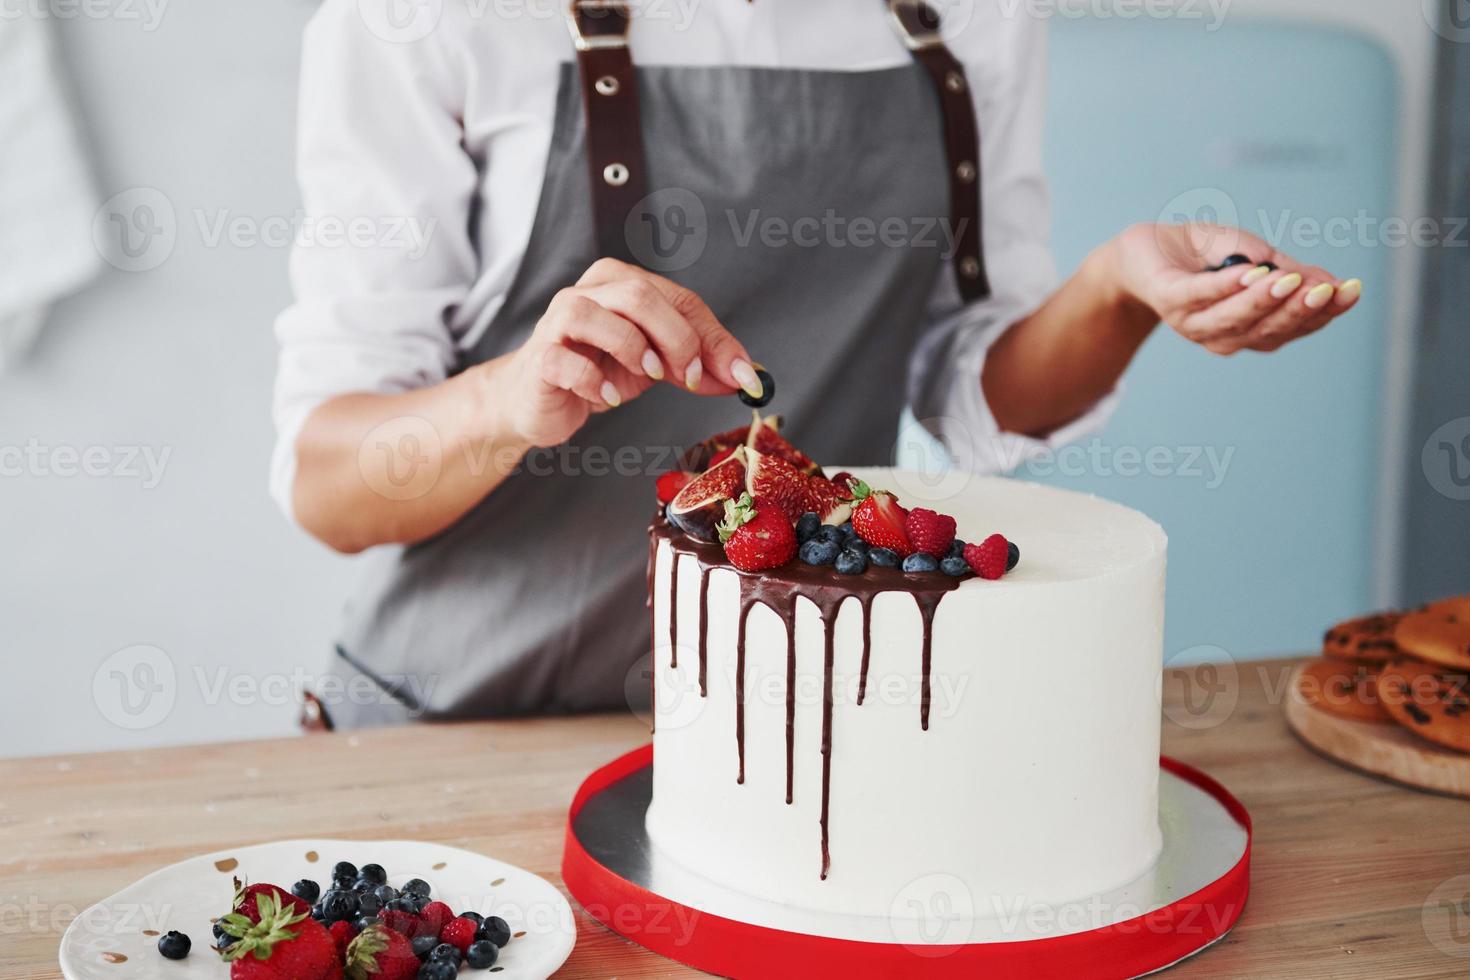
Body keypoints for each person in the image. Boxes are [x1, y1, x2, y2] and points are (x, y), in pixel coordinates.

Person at [272, 0, 1360, 727]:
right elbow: (330, 489)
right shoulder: (419, 22)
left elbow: (970, 384)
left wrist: (1116, 290)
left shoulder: (969, 17)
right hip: (453, 730)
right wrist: (505, 400)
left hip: (794, 735)